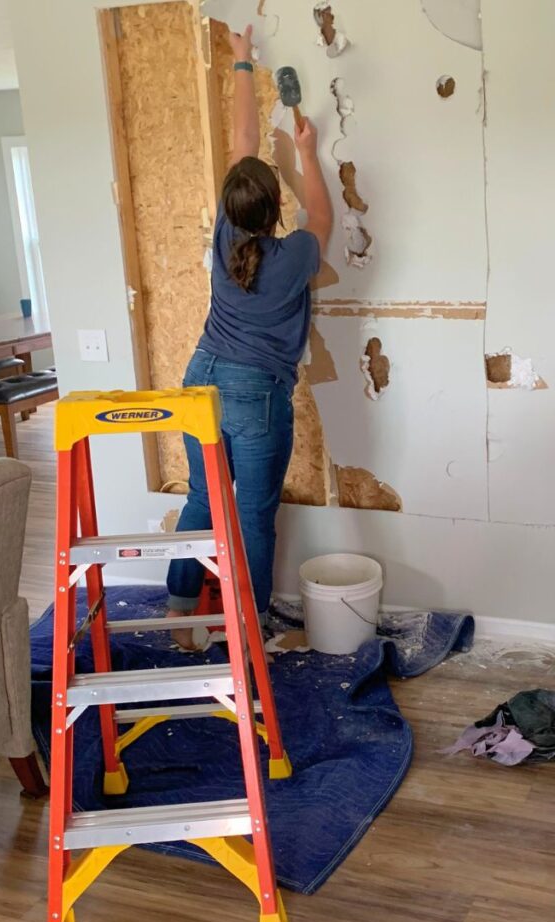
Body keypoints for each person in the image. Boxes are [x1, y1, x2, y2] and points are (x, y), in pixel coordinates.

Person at [166, 23, 333, 649]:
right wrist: (308, 154)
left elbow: (239, 144)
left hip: (199, 376)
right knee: (253, 514)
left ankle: (183, 617)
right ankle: (251, 626)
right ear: (270, 208)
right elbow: (322, 215)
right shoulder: (290, 256)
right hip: (255, 395)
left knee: (204, 502)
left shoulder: (224, 235)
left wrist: (241, 62)